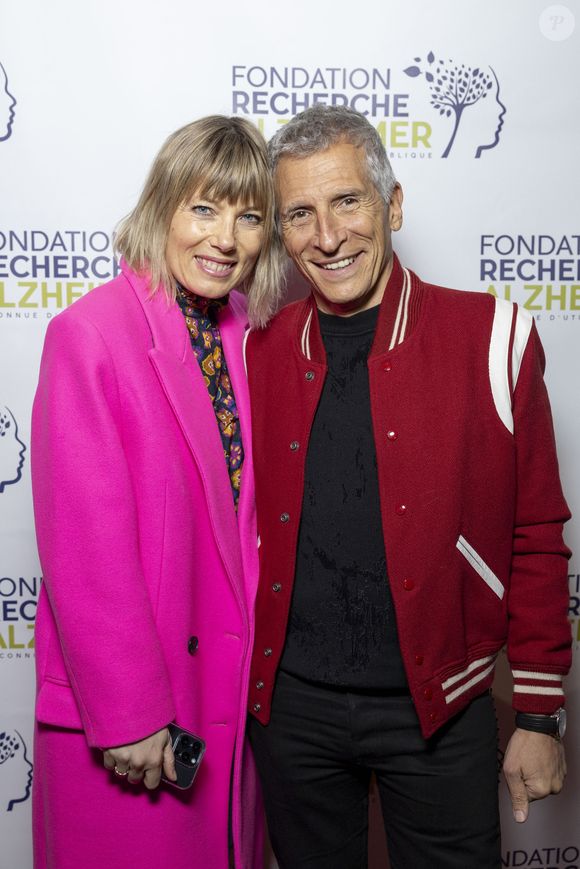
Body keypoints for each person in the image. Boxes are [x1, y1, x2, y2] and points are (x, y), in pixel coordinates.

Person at [245, 105, 571, 869]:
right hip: (291, 712)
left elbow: (537, 531)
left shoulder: (494, 335)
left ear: (392, 203)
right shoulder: (256, 349)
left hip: (444, 705)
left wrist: (539, 712)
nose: (327, 237)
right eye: (300, 214)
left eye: (348, 202)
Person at [31, 115, 283, 869]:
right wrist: (132, 715)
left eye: (248, 215)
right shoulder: (93, 334)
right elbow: (87, 553)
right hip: (140, 724)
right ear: (161, 208)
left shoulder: (253, 336)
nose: (225, 238)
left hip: (230, 715)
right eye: (203, 208)